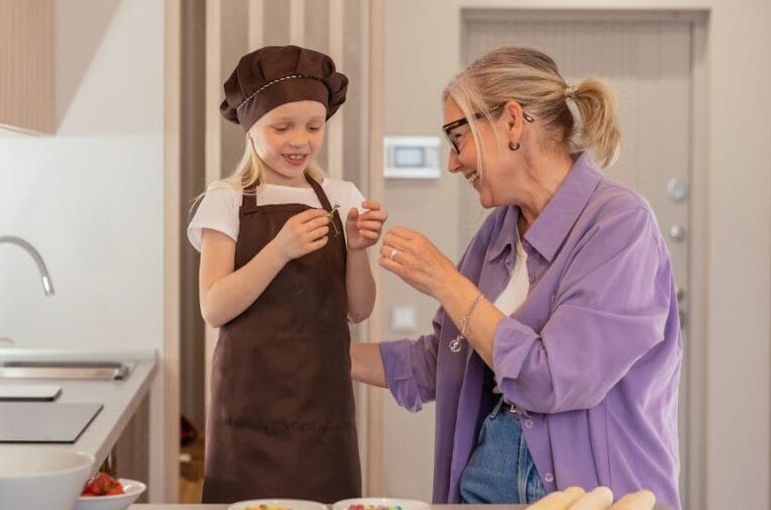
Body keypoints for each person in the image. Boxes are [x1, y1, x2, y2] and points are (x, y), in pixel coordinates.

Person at [350, 46, 682, 508]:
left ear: (510, 122)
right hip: (485, 490)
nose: (453, 162)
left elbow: (556, 378)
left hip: (589, 496)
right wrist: (326, 355)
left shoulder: (620, 225)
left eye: (457, 136)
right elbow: (443, 357)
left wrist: (445, 281)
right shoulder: (497, 232)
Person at [187, 45, 388, 503]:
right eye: (282, 127)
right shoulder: (227, 199)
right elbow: (214, 306)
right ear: (251, 128)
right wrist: (280, 250)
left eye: (314, 127)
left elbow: (359, 310)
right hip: (245, 417)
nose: (300, 140)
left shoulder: (340, 195)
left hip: (324, 415)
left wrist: (356, 250)